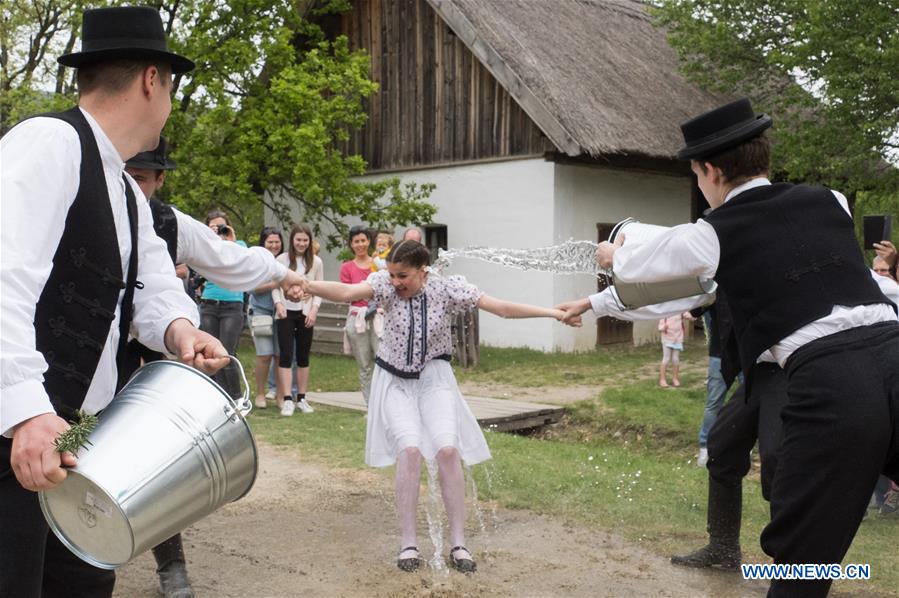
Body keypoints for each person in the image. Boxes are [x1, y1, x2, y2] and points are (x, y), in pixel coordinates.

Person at [592, 97, 898, 597]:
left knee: (803, 560)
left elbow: (640, 262)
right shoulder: (831, 199)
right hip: (893, 351)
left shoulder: (712, 234)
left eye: (696, 175)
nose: (699, 186)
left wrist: (613, 252)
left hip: (833, 381)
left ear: (711, 171)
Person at [0, 7, 231, 597]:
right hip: (14, 436)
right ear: (152, 80)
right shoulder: (50, 142)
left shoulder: (126, 190)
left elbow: (152, 285)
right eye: (171, 87)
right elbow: (3, 277)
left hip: (81, 440)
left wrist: (181, 330)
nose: (170, 101)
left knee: (82, 585)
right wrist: (26, 411)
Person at [301, 239, 579, 572]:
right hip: (394, 381)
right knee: (410, 450)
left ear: (423, 271)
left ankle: (459, 543)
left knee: (448, 450)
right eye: (392, 274)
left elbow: (502, 308)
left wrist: (554, 314)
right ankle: (408, 544)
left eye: (403, 276)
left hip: (434, 379)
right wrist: (306, 285)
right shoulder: (385, 286)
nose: (395, 282)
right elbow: (347, 292)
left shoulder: (447, 289)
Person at [125, 142, 304, 597]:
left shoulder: (169, 223)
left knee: (150, 459)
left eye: (140, 178)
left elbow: (230, 260)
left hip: (145, 355)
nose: (130, 186)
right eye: (125, 174)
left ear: (160, 179)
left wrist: (285, 275)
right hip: (73, 360)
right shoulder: (79, 204)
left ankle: (171, 566)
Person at [273, 224, 324, 416]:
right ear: (292, 240)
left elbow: (319, 288)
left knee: (303, 356)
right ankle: (287, 399)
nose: (301, 243)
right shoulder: (281, 260)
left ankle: (301, 397)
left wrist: (314, 310)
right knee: (286, 355)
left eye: (305, 240)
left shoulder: (316, 262)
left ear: (310, 241)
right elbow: (275, 285)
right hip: (286, 312)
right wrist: (278, 304)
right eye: (298, 240)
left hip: (306, 312)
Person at [199, 209, 247, 400]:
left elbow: (242, 262)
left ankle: (236, 398)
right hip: (209, 303)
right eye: (213, 227)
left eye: (221, 226)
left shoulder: (238, 245)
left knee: (226, 353)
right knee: (211, 353)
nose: (218, 230)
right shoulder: (205, 246)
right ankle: (217, 399)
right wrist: (209, 237)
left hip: (232, 305)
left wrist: (230, 240)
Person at [340, 225, 380, 403]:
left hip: (378, 318)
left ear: (369, 241)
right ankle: (370, 405)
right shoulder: (347, 267)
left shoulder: (378, 264)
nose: (360, 244)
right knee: (364, 365)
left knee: (382, 362)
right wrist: (365, 292)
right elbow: (347, 294)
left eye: (363, 240)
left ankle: (383, 403)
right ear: (351, 244)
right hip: (358, 319)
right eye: (356, 241)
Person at [248, 227, 284, 408]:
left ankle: (279, 394)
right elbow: (252, 288)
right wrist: (275, 284)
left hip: (282, 314)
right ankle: (260, 394)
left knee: (279, 356)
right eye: (270, 242)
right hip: (260, 312)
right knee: (264, 354)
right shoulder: (256, 262)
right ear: (263, 243)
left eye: (277, 242)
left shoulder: (284, 261)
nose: (274, 245)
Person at [657, 312, 691, 387]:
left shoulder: (680, 311)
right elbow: (659, 327)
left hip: (678, 339)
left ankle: (675, 379)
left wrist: (691, 316)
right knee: (666, 359)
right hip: (667, 339)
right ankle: (662, 380)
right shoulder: (664, 313)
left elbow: (687, 314)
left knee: (675, 359)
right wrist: (663, 327)